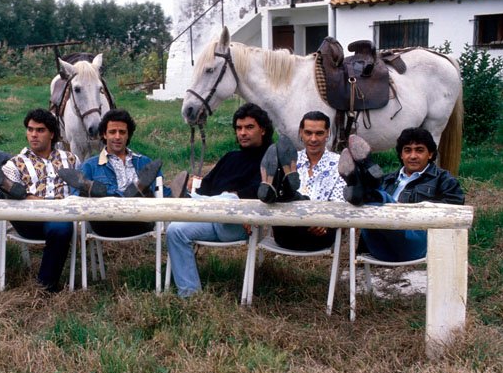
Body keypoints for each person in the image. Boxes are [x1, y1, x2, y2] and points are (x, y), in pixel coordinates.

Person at [166, 103, 273, 297]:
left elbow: (261, 191)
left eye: (249, 127)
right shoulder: (230, 157)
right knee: (175, 230)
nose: (243, 133)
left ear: (263, 130)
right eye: (239, 128)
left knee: (230, 197)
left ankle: (184, 201)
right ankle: (190, 294)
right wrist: (198, 186)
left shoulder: (269, 159)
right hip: (211, 217)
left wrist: (232, 197)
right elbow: (206, 186)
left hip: (240, 223)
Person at [0, 108, 77, 292]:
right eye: (30, 129)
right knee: (10, 191)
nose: (33, 134)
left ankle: (44, 286)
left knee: (61, 226)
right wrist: (28, 198)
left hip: (61, 216)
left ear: (52, 134)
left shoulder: (71, 159)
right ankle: (12, 189)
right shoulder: (16, 162)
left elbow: (78, 191)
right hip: (29, 218)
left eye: (40, 130)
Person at [339, 128, 465, 261]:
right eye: (407, 150)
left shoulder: (443, 179)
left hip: (415, 244)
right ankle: (365, 184)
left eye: (419, 150)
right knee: (376, 200)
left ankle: (360, 181)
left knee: (379, 197)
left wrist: (405, 209)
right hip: (378, 246)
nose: (413, 156)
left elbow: (454, 210)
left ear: (430, 154)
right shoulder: (388, 179)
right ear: (401, 155)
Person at [57, 108, 183, 237]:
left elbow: (161, 191)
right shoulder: (90, 165)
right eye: (112, 132)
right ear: (104, 135)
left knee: (149, 193)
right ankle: (115, 191)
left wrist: (181, 193)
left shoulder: (145, 162)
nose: (117, 137)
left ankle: (134, 191)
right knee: (92, 194)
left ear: (128, 135)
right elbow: (76, 197)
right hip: (105, 222)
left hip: (140, 221)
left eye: (122, 132)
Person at [257, 111, 346, 251]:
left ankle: (286, 190)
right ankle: (282, 188)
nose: (313, 139)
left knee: (288, 194)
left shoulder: (339, 163)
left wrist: (325, 220)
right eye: (308, 133)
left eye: (319, 133)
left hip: (319, 233)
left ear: (328, 133)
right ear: (301, 133)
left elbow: (339, 201)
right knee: (284, 199)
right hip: (287, 229)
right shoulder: (292, 158)